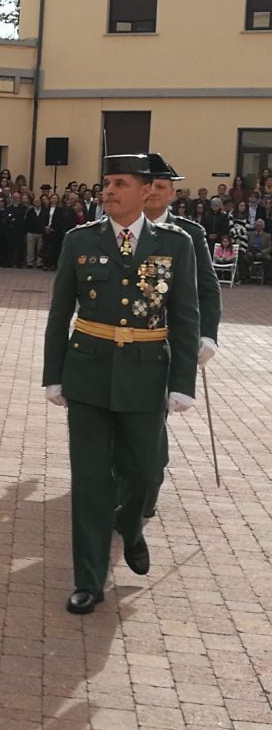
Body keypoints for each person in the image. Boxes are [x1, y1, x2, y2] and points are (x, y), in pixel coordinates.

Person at [43, 153, 200, 615]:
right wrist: (53, 376)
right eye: (105, 183)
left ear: (145, 190)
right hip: (88, 372)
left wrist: (182, 381)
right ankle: (88, 581)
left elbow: (185, 317)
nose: (108, 191)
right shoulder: (79, 240)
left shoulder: (176, 243)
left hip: (147, 374)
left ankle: (130, 527)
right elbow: (59, 315)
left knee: (146, 472)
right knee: (91, 481)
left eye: (119, 183)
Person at [139, 153, 222, 518]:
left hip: (168, 341)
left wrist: (207, 335)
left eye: (162, 187)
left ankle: (147, 484)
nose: (154, 193)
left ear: (172, 194)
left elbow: (207, 289)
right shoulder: (116, 227)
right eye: (150, 186)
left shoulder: (190, 233)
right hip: (121, 340)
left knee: (153, 418)